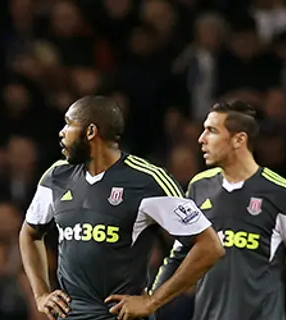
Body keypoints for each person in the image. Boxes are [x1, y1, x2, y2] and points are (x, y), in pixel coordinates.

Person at [19, 96, 224, 320]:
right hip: (71, 314)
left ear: (90, 132)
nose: (62, 132)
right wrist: (41, 294)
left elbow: (210, 246)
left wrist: (153, 301)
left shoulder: (147, 180)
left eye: (69, 124)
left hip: (120, 315)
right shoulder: (57, 176)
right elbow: (30, 233)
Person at [151, 100, 286, 320]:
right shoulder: (199, 187)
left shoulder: (282, 193)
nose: (201, 139)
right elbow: (178, 257)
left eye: (211, 131)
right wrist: (149, 302)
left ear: (239, 140)